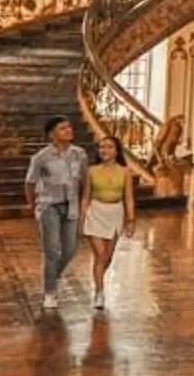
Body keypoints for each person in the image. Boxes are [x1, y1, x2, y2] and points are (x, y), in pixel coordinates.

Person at [26, 116, 87, 294]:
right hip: (49, 206)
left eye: (69, 126)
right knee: (52, 250)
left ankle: (54, 274)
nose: (68, 130)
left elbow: (85, 179)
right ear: (52, 135)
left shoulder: (79, 154)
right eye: (62, 128)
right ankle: (50, 292)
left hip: (72, 205)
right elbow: (30, 183)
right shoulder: (41, 158)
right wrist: (32, 205)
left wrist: (85, 202)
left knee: (70, 249)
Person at [80, 131, 135, 301]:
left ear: (116, 151)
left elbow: (129, 198)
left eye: (109, 147)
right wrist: (82, 218)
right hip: (95, 213)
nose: (104, 150)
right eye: (101, 147)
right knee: (101, 254)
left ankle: (98, 276)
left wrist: (130, 220)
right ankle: (99, 292)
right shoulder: (91, 171)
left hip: (115, 213)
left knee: (107, 257)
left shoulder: (125, 172)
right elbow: (85, 197)